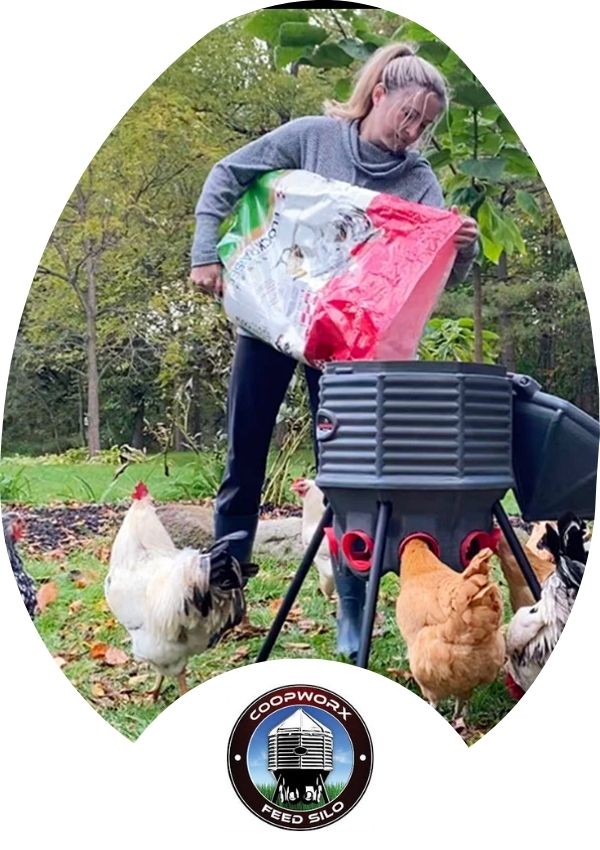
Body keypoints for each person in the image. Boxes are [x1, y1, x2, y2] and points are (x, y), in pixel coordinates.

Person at [190, 43, 480, 659]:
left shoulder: (419, 180)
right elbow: (227, 174)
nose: (414, 132)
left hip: (349, 350)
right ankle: (222, 592)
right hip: (273, 322)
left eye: (426, 124)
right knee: (244, 455)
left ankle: (354, 606)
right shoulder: (312, 138)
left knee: (347, 473)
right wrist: (204, 253)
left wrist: (461, 247)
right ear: (378, 93)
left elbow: (427, 275)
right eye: (408, 114)